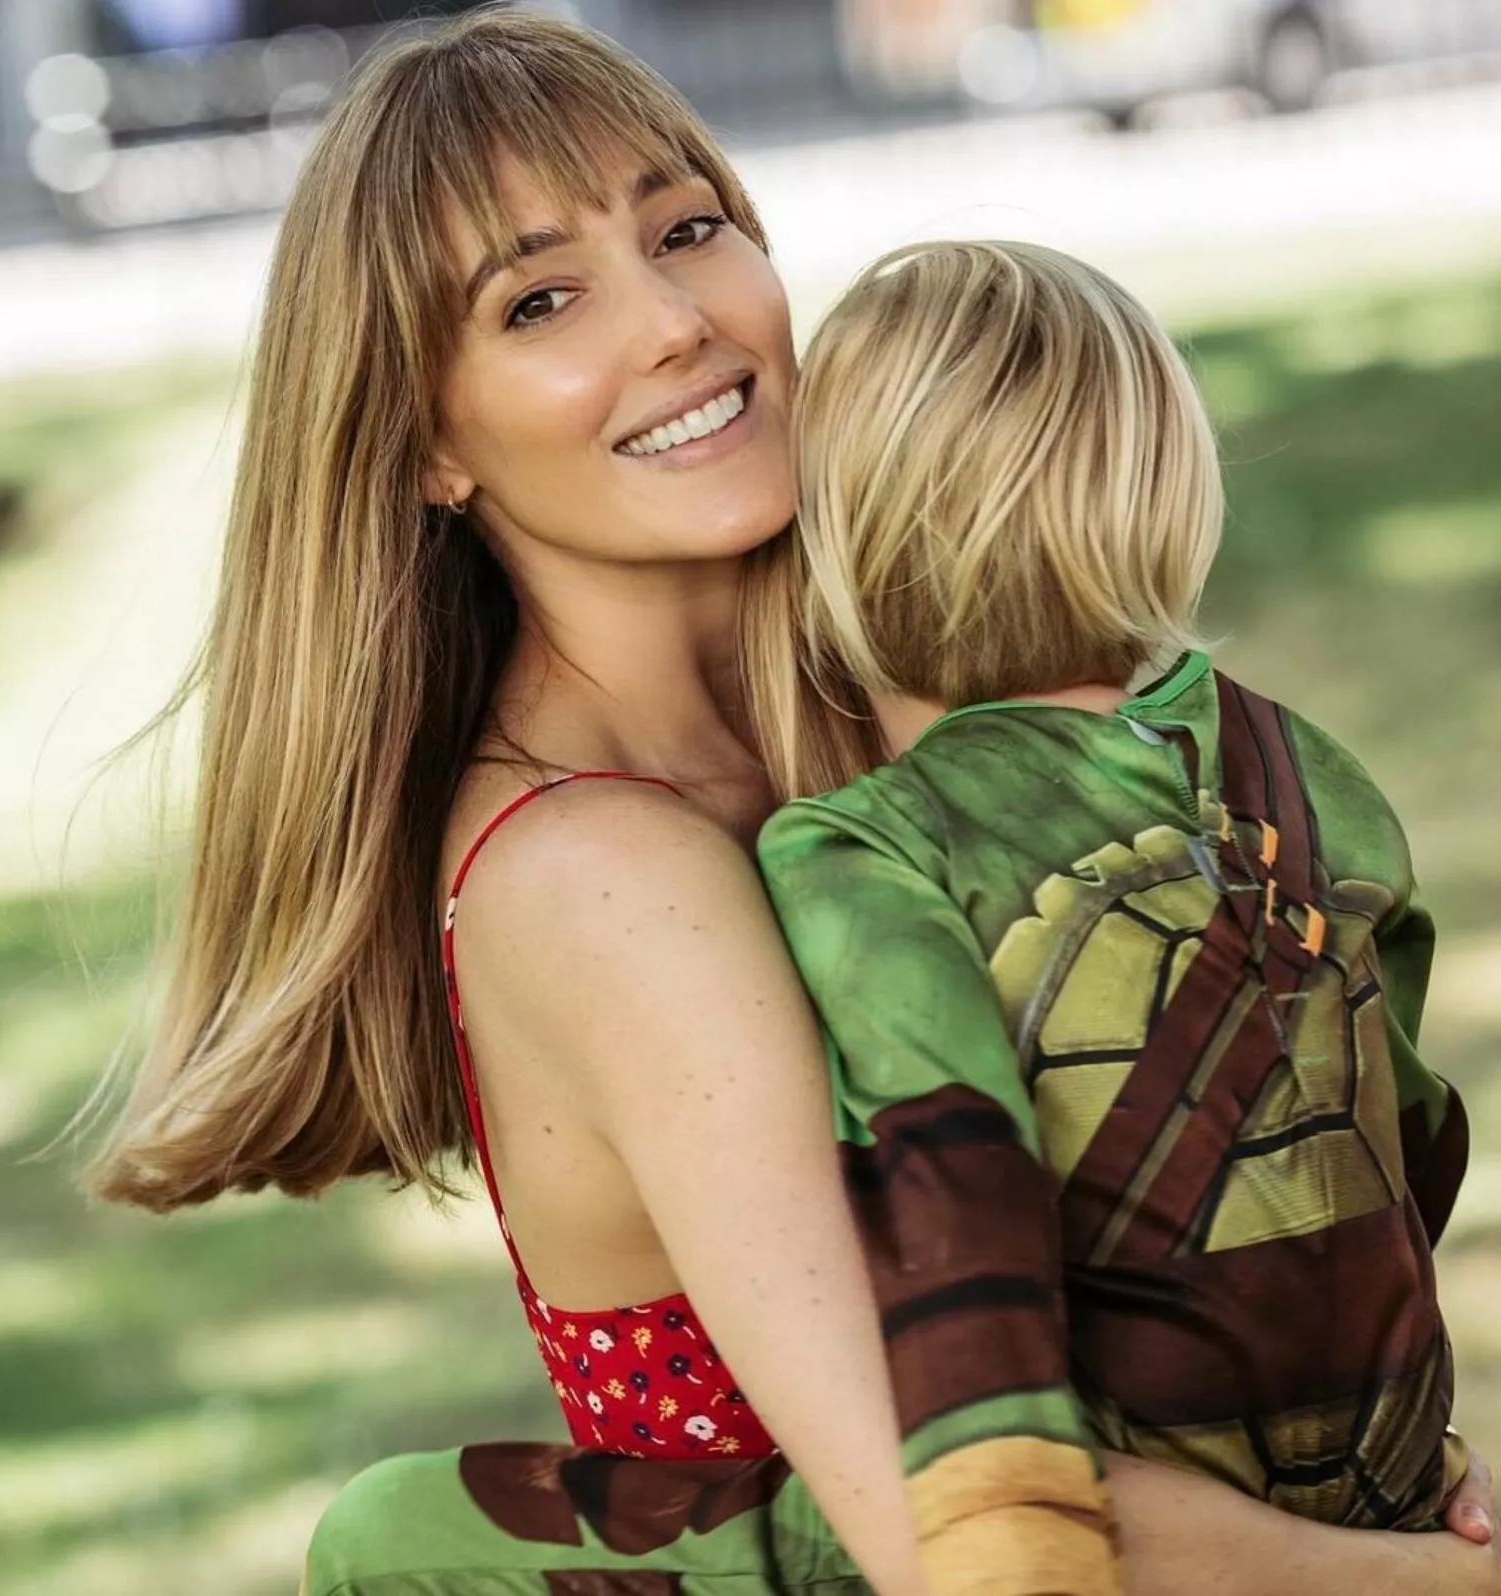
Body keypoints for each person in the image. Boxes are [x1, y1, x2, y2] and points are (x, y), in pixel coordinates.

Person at [78, 13, 1499, 1595]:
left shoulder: (905, 721)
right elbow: (953, 1521)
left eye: (686, 229)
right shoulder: (598, 874)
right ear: (426, 443)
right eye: (541, 300)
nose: (675, 322)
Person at [747, 239, 1472, 1589]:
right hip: (1386, 1485)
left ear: (832, 535)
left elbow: (956, 1201)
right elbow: (1408, 1126)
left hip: (1110, 1529)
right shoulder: (1301, 766)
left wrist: (1011, 1558)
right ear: (1171, 495)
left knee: (400, 1534)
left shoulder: (863, 851)